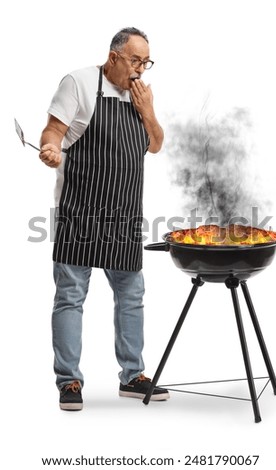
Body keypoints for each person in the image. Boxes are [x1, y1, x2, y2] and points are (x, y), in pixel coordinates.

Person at [39, 27, 169, 410]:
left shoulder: (141, 95)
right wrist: (49, 149)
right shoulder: (78, 82)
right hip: (80, 209)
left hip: (126, 213)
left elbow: (156, 144)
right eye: (134, 61)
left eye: (146, 62)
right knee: (70, 297)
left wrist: (147, 111)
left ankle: (133, 376)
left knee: (131, 297)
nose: (140, 70)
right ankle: (69, 382)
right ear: (113, 57)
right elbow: (53, 131)